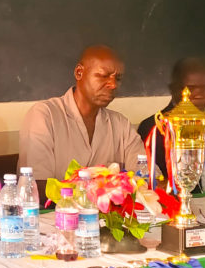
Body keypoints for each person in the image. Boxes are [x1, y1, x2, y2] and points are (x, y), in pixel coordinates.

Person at [19, 45, 147, 179]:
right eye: (104, 76)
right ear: (79, 73)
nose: (113, 84)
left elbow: (147, 175)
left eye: (118, 78)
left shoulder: (121, 125)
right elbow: (36, 185)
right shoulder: (45, 116)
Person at [136, 57, 205, 191]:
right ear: (173, 89)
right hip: (187, 200)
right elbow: (154, 177)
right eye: (191, 89)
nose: (199, 94)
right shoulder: (155, 127)